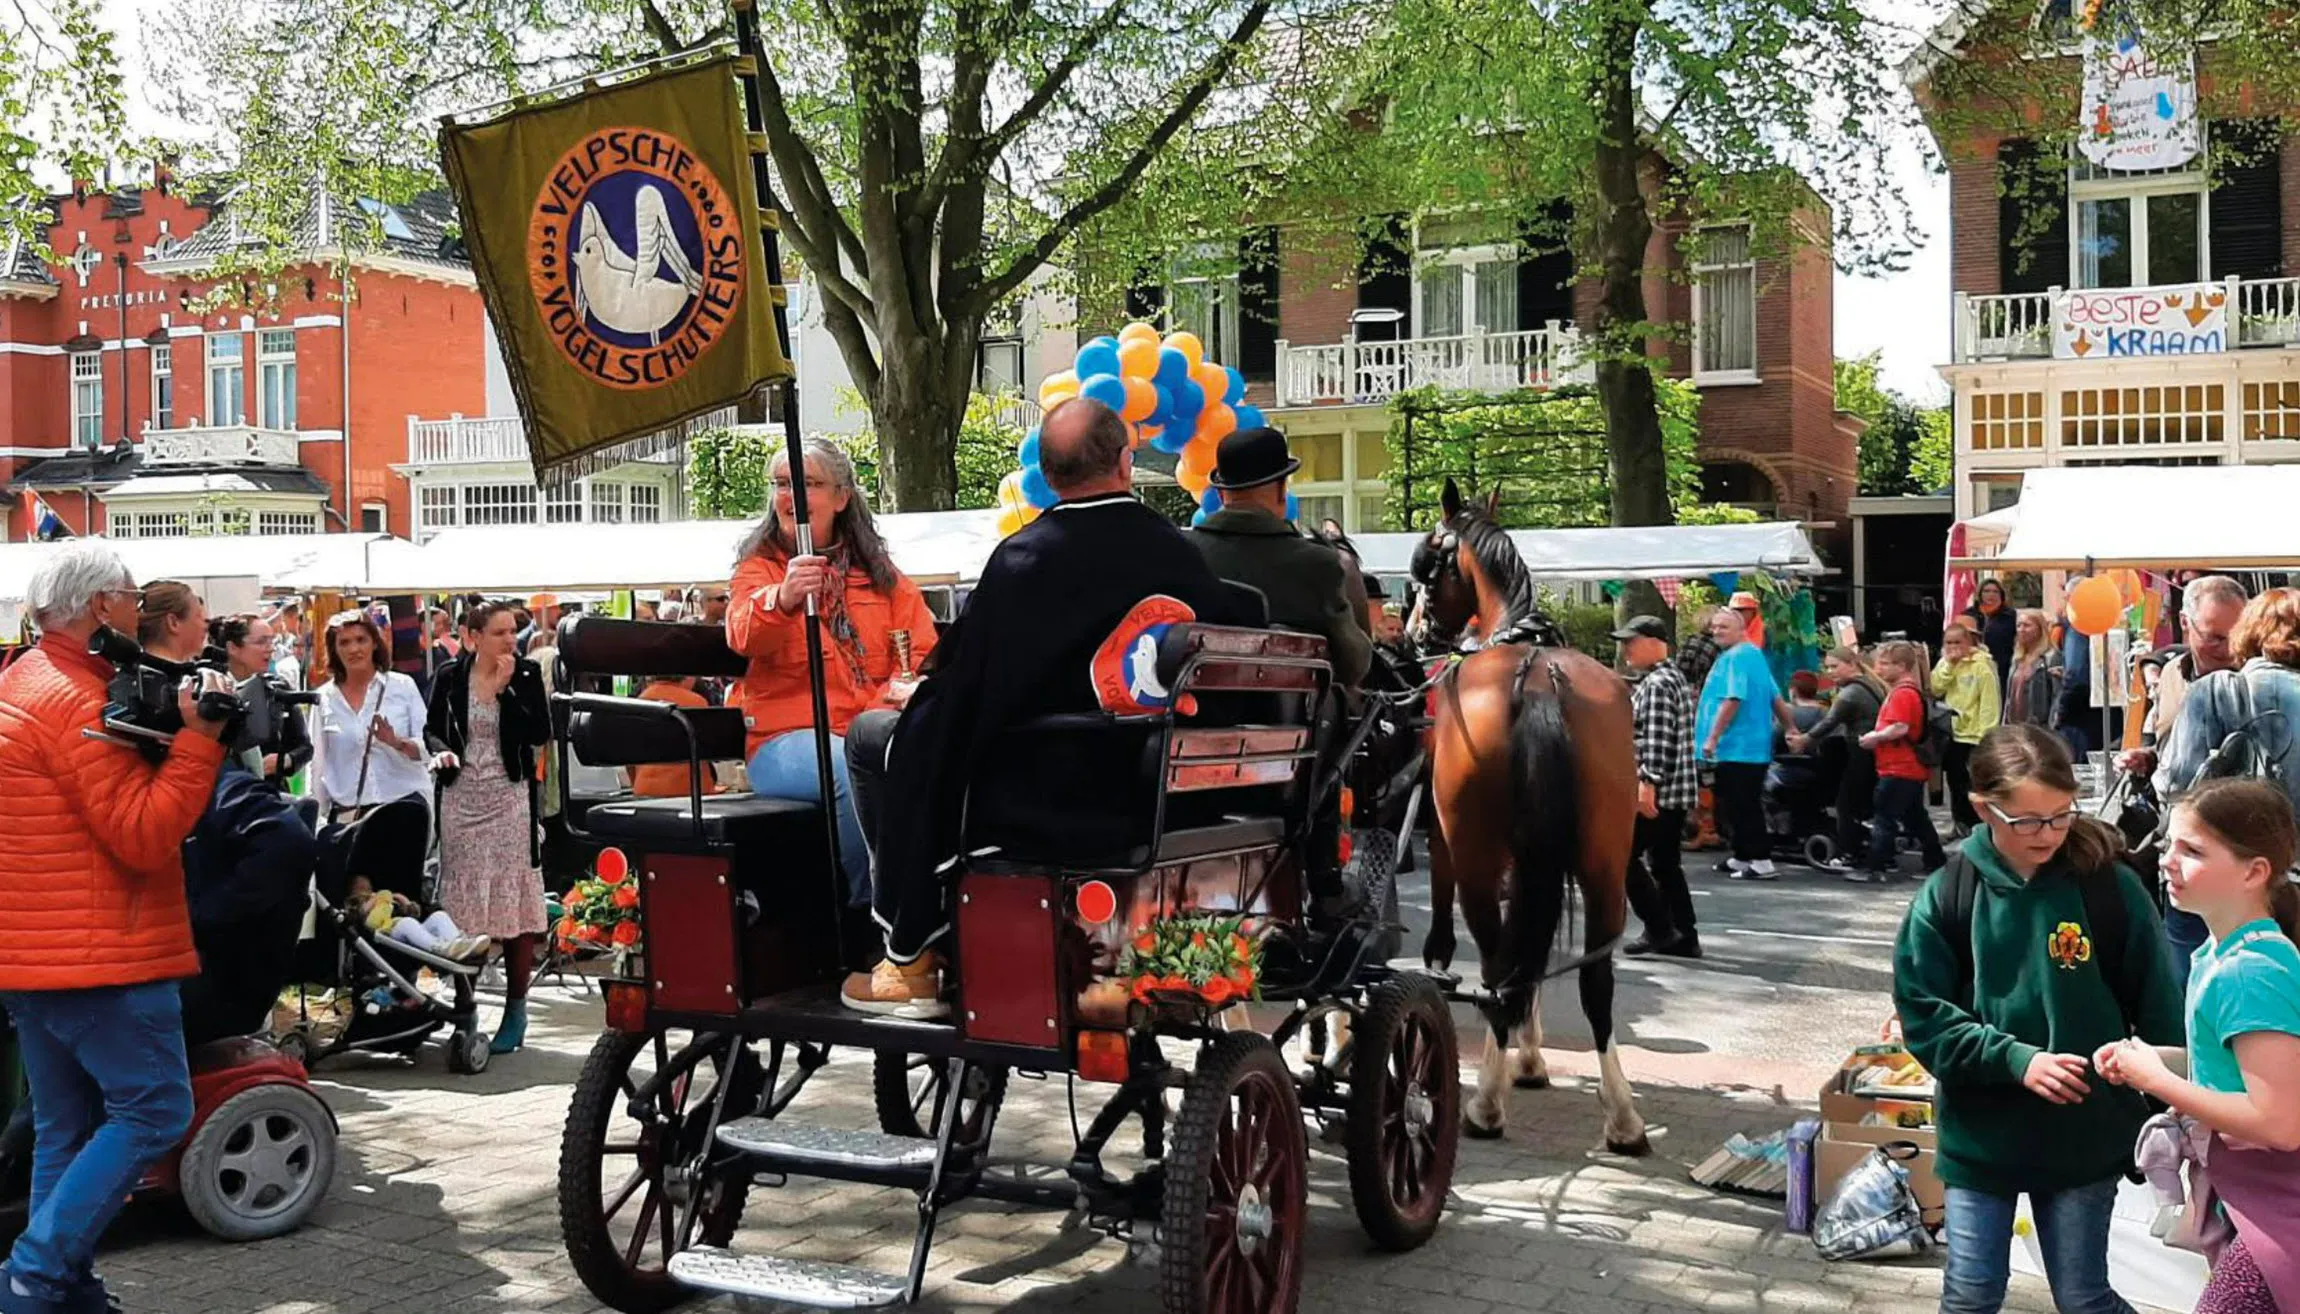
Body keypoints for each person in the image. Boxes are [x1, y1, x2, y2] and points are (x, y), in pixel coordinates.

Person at [847, 397, 1256, 1015]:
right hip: (1159, 791)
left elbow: (969, 692)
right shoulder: (1179, 554)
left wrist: (924, 702)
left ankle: (912, 952)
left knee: (881, 737)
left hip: (1038, 794)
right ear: (1124, 463)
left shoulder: (1024, 559)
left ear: (1049, 474)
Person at [0, 541, 228, 1314]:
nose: (139, 607)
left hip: (36, 953)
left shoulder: (26, 678)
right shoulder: (78, 700)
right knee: (156, 1109)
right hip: (102, 953)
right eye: (131, 595)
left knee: (68, 1125)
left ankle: (60, 1286)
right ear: (101, 606)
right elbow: (140, 834)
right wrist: (200, 743)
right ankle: (34, 1273)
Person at [1892, 723, 2182, 1314]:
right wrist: (2015, 1060)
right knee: (1970, 1295)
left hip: (2085, 1134)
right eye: (2026, 820)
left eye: (2060, 815)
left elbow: (2161, 1011)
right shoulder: (1948, 894)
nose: (2046, 833)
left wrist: (2169, 1104)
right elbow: (1923, 1016)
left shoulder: (2112, 889)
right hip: (1980, 1137)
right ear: (1981, 809)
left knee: (2082, 1297)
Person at [2096, 779, 2300, 1313]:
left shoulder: (2249, 973)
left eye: (2193, 851)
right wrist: (2152, 1059)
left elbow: (2278, 1120)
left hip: (2278, 1208)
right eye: (2169, 845)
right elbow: (2237, 1068)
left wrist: (2157, 1081)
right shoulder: (2221, 952)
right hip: (2254, 1201)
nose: (2167, 861)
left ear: (2255, 872)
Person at [727, 438, 939, 909]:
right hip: (782, 742)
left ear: (841, 497)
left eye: (807, 484)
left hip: (866, 734)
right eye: (782, 484)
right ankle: (878, 911)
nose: (791, 497)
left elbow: (919, 654)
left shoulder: (882, 576)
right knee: (846, 766)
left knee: (919, 758)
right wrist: (781, 600)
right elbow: (741, 635)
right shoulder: (759, 569)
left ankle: (941, 901)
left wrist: (872, 718)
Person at [424, 601, 551, 1054]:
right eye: (499, 632)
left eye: (512, 631)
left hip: (510, 797)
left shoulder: (527, 675)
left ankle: (516, 1009)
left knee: (514, 908)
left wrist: (502, 693)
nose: (509, 640)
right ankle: (466, 1005)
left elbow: (540, 732)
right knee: (464, 911)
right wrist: (440, 753)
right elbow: (432, 729)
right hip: (461, 798)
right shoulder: (449, 676)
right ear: (472, 636)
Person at [2125, 575, 2249, 987]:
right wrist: (2149, 757)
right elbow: (2165, 740)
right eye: (2214, 638)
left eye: (2236, 637)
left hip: (2238, 854)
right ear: (2184, 623)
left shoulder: (2254, 681)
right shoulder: (2173, 674)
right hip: (2181, 851)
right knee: (2186, 974)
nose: (2228, 651)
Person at [1193, 442, 1371, 686]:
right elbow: (1353, 663)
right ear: (1281, 492)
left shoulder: (1184, 551)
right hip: (1291, 717)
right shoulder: (1317, 564)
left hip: (1193, 710)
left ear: (1222, 494)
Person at [1617, 616, 1700, 958]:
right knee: (1665, 864)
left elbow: (1656, 738)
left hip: (1661, 791)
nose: (1625, 651)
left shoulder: (1657, 684)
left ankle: (1661, 928)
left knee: (1624, 857)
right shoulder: (1670, 677)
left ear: (1653, 641)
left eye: (1630, 642)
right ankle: (1683, 934)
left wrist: (1647, 783)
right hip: (1677, 789)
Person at [1694, 605, 1793, 880]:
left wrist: (1713, 737)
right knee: (1733, 803)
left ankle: (1761, 860)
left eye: (1723, 627)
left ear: (1740, 629)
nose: (1716, 632)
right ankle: (1742, 855)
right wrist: (1791, 728)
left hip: (1737, 746)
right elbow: (1776, 697)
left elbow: (1733, 698)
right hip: (1745, 747)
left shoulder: (1737, 657)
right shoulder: (1753, 655)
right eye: (1714, 627)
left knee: (1743, 804)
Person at [309, 610, 431, 824]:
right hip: (351, 817)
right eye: (344, 643)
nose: (354, 649)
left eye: (361, 640)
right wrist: (316, 818)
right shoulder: (324, 699)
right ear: (334, 650)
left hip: (404, 808)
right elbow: (317, 764)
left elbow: (430, 749)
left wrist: (398, 743)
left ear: (374, 643)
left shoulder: (402, 686)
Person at [1853, 640, 1947, 883]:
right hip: (1908, 767)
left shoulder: (1903, 693)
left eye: (1884, 663)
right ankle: (1936, 861)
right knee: (1915, 817)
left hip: (1898, 766)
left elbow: (1900, 727)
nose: (1878, 668)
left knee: (1885, 817)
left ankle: (1876, 867)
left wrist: (1874, 737)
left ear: (1902, 666)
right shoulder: (1909, 690)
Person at [1789, 646, 1888, 873]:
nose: (1830, 671)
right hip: (1871, 751)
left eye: (1835, 666)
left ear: (1852, 664)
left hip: (1861, 751)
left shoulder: (1850, 693)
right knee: (1865, 804)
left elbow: (1829, 722)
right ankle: (1875, 851)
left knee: (1846, 804)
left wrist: (1804, 739)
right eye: (1827, 667)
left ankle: (1849, 854)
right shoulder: (1872, 685)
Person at [210, 612, 313, 787]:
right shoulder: (212, 690)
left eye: (271, 641)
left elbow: (304, 747)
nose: (270, 648)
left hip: (271, 795)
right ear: (233, 648)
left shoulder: (278, 689)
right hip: (225, 795)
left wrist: (286, 760)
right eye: (261, 642)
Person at [1934, 622, 2004, 835]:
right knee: (1954, 783)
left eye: (1958, 642)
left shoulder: (1982, 665)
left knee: (1972, 784)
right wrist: (1949, 665)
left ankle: (1977, 826)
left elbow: (1990, 702)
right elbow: (1936, 687)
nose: (1953, 646)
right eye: (1948, 642)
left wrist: (1986, 735)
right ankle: (1959, 823)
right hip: (1952, 732)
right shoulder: (1945, 663)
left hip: (1974, 736)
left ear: (1969, 642)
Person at [348, 874, 492, 961]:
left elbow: (412, 912)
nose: (366, 891)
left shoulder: (384, 899)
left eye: (368, 887)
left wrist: (402, 901)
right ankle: (441, 948)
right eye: (361, 888)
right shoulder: (359, 906)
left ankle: (460, 944)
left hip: (404, 927)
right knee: (407, 923)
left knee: (439, 916)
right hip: (386, 933)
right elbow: (364, 920)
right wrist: (376, 898)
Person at [629, 675, 723, 799]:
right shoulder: (697, 703)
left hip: (646, 790)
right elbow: (710, 750)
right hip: (692, 792)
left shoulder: (637, 704)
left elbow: (629, 760)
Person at [2003, 608, 2063, 731]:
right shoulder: (2017, 659)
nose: (2021, 629)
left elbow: (2057, 695)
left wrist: (2053, 725)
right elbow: (2009, 697)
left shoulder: (2051, 657)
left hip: (2039, 727)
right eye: (2018, 625)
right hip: (2015, 727)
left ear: (2040, 628)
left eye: (2027, 625)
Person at [1964, 578, 2019, 694]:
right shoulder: (1969, 614)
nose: (1991, 595)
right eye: (1987, 591)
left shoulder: (2010, 616)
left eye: (1995, 591)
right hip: (1972, 668)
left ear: (2001, 595)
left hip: (2001, 668)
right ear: (1980, 594)